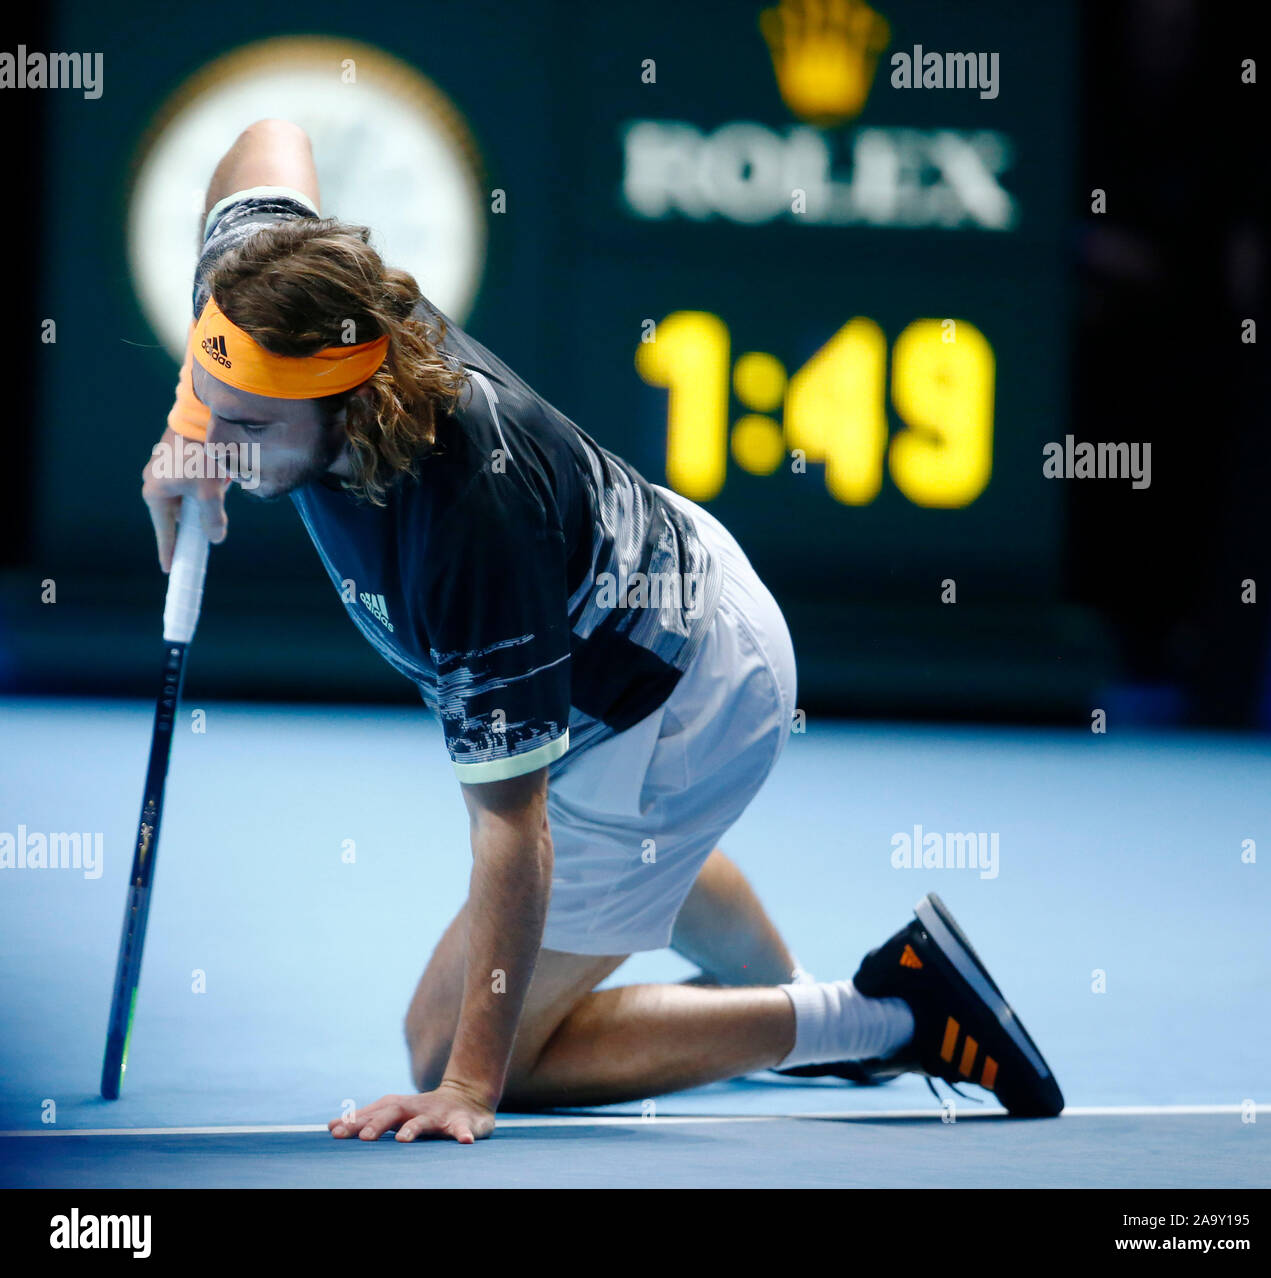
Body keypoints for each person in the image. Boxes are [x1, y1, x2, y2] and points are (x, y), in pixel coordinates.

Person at [143, 119, 1064, 1143]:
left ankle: (885, 1016)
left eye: (247, 426)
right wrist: (197, 421)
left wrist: (472, 1088)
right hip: (660, 597)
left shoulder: (464, 519)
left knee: (442, 1038)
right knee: (623, 853)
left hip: (674, 706)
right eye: (206, 392)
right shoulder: (266, 292)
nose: (217, 438)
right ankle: (768, 969)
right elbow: (272, 135)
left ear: (348, 401)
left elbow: (512, 833)